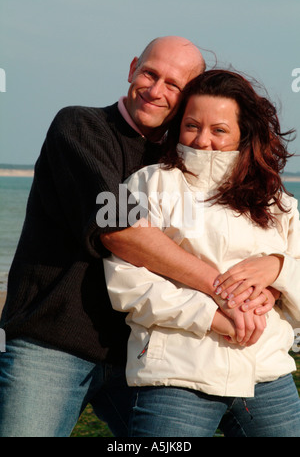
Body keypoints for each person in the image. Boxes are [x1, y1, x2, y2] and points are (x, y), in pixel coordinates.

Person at [0, 36, 207, 438]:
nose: (155, 90)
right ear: (132, 68)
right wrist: (220, 286)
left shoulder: (177, 161)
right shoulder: (80, 126)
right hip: (51, 345)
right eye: (150, 73)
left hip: (139, 352)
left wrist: (271, 264)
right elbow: (120, 231)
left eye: (173, 84)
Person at [104, 70, 300, 437]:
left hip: (267, 373)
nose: (202, 140)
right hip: (177, 373)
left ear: (245, 133)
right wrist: (212, 316)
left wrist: (277, 269)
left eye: (219, 130)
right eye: (192, 126)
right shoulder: (148, 183)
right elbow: (126, 284)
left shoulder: (275, 199)